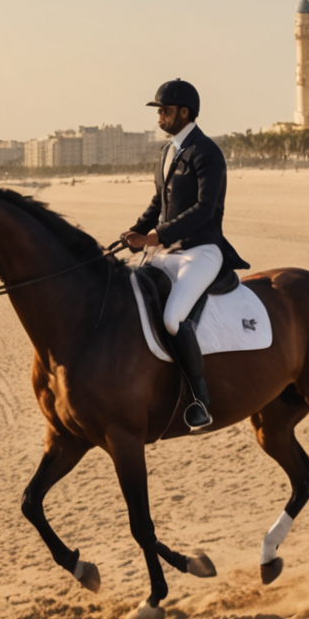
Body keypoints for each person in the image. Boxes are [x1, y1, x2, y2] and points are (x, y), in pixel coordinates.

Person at [123, 79, 249, 430]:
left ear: (184, 112)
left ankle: (197, 398)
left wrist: (155, 236)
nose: (159, 117)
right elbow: (158, 203)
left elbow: (204, 209)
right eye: (159, 111)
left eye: (164, 111)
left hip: (201, 252)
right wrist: (134, 232)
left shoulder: (206, 152)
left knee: (172, 319)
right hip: (166, 251)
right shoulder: (168, 151)